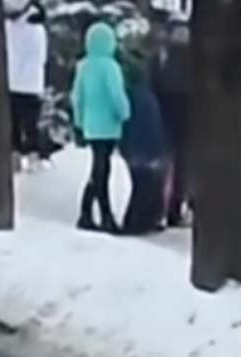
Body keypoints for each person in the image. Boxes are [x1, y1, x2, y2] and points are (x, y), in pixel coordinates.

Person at [71, 21, 131, 233]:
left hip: (90, 125)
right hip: (108, 125)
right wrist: (125, 113)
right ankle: (103, 215)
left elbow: (76, 97)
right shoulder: (110, 67)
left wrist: (79, 121)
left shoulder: (83, 66)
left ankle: (87, 212)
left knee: (99, 168)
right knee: (102, 170)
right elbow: (117, 95)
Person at [118, 55, 169, 236]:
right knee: (145, 187)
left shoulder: (129, 96)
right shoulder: (148, 98)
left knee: (140, 186)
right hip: (147, 151)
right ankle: (137, 223)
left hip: (133, 150)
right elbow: (153, 129)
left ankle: (138, 221)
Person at [151, 15, 191, 228]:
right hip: (186, 119)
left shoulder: (162, 58)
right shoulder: (194, 59)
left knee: (165, 165)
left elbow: (154, 85)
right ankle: (176, 208)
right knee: (183, 166)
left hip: (164, 117)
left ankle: (160, 207)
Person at [5, 0, 48, 171]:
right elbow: (42, 59)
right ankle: (33, 158)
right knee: (31, 125)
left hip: (12, 84)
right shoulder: (39, 30)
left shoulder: (10, 28)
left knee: (12, 125)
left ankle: (14, 157)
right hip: (33, 84)